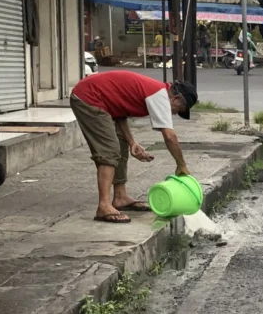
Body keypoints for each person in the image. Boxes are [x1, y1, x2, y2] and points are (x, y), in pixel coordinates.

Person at [69, 71, 197, 224]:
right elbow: (169, 136)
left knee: (120, 143)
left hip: (100, 99)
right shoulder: (159, 96)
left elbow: (119, 112)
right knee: (109, 150)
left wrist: (132, 142)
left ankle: (120, 197)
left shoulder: (154, 93)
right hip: (88, 97)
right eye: (178, 109)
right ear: (175, 98)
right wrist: (181, 165)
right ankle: (104, 206)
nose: (175, 113)